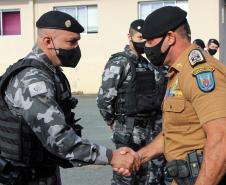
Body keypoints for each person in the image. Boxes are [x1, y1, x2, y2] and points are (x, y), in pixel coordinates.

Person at [0, 11, 140, 185]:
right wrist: (112, 157)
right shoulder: (33, 80)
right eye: (71, 42)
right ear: (47, 41)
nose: (75, 48)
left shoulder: (50, 72)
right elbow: (59, 139)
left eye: (77, 42)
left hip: (42, 173)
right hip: (23, 178)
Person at [117, 6, 226, 185]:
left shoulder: (200, 72)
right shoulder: (177, 72)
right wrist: (139, 156)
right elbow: (175, 132)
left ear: (169, 38)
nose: (146, 47)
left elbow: (221, 137)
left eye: (150, 41)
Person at [97, 19, 167, 185]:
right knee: (126, 174)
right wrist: (111, 120)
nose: (143, 42)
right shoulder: (119, 62)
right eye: (140, 37)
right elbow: (104, 97)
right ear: (130, 36)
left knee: (149, 176)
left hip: (150, 129)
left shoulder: (147, 64)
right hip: (128, 130)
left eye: (146, 38)